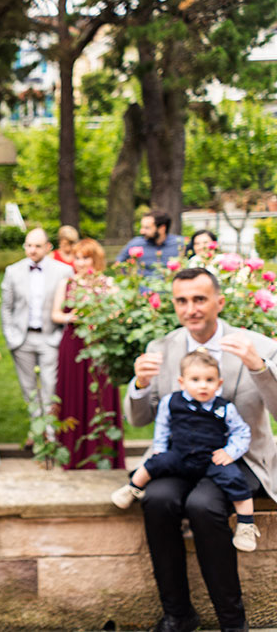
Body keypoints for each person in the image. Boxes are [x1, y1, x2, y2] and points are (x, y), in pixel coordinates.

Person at [124, 267, 277, 632]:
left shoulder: (259, 346)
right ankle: (177, 615)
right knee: (157, 499)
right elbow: (141, 419)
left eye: (199, 299)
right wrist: (140, 384)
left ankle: (232, 623)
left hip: (238, 458)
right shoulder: (162, 349)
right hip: (182, 458)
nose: (190, 308)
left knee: (203, 505)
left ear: (219, 302)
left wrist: (259, 368)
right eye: (182, 300)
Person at [113, 351, 259, 551]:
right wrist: (160, 451)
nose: (203, 385)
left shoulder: (225, 408)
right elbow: (162, 428)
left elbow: (242, 432)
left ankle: (246, 524)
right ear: (182, 382)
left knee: (234, 478)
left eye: (209, 380)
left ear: (219, 383)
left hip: (211, 457)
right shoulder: (171, 402)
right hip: (180, 454)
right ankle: (132, 488)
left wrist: (230, 452)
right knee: (154, 464)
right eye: (195, 379)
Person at [50, 239, 124, 470]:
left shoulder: (108, 283)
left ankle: (103, 453)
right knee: (72, 395)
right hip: (73, 345)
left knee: (99, 396)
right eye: (77, 257)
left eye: (85, 257)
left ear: (96, 259)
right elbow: (55, 314)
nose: (80, 263)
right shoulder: (67, 283)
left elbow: (120, 312)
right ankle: (73, 456)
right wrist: (74, 316)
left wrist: (101, 315)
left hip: (99, 345)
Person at [1, 228, 73, 425]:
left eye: (37, 246)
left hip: (50, 337)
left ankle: (50, 433)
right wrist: (11, 336)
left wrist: (60, 336)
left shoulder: (63, 271)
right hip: (22, 339)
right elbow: (6, 308)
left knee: (50, 386)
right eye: (29, 245)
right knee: (29, 388)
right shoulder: (12, 271)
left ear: (48, 247)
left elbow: (69, 305)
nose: (32, 250)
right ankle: (36, 429)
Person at [117, 209, 184, 276]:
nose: (141, 231)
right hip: (143, 285)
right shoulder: (136, 244)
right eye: (142, 227)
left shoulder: (180, 243)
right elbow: (119, 264)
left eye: (147, 228)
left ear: (162, 229)